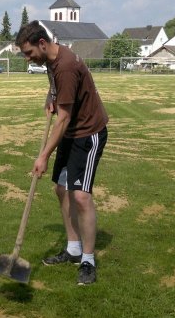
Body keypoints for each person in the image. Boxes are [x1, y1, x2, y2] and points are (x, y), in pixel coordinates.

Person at [15, 21, 109, 285]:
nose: (27, 58)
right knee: (61, 189)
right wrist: (50, 95)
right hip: (71, 132)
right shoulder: (51, 61)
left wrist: (43, 155)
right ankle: (73, 248)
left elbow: (64, 119)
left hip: (87, 133)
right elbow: (57, 86)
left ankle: (88, 260)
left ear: (42, 44)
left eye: (28, 52)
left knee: (80, 196)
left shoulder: (66, 66)